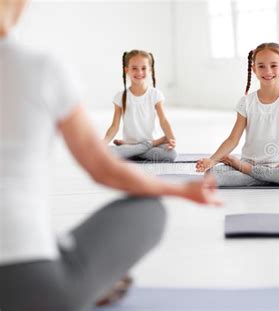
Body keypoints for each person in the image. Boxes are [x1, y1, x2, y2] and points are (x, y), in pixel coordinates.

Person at [0, 1, 220, 310]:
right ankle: (85, 275)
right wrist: (180, 189)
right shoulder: (40, 69)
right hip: (35, 287)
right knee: (149, 209)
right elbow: (102, 168)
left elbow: (157, 126)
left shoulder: (153, 95)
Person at [196, 42, 279, 187]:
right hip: (250, 163)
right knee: (212, 176)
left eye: (273, 66)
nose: (267, 71)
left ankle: (253, 173)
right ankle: (267, 177)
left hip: (276, 165)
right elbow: (233, 139)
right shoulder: (246, 102)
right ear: (254, 69)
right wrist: (212, 160)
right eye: (261, 66)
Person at [103, 49, 177, 162]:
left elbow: (163, 120)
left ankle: (136, 150)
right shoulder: (120, 96)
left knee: (171, 154)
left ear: (150, 70)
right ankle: (141, 147)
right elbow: (114, 126)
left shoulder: (155, 95)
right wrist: (103, 143)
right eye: (134, 68)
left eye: (143, 68)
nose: (139, 72)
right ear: (126, 70)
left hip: (150, 147)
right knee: (107, 152)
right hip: (137, 145)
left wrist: (171, 138)